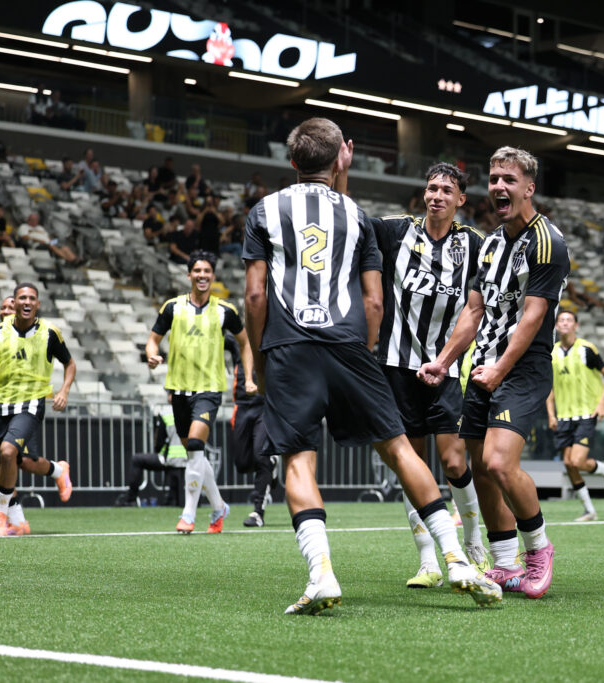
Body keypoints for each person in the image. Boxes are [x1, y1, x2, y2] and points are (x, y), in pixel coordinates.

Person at [243, 117, 500, 614]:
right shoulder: (358, 216)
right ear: (343, 156)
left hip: (290, 347)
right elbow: (375, 302)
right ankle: (458, 559)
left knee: (298, 459)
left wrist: (261, 351)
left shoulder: (265, 210)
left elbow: (255, 294)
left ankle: (321, 573)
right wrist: (366, 348)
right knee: (402, 450)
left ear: (294, 161)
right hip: (350, 346)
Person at [419, 145, 569, 600]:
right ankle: (504, 564)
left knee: (501, 463)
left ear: (529, 187)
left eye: (509, 179)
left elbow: (534, 316)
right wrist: (444, 362)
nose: (499, 187)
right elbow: (474, 311)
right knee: (479, 468)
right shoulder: (490, 245)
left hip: (522, 369)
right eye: (494, 178)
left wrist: (501, 368)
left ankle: (539, 550)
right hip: (482, 367)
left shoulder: (548, 241)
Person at [368, 162, 491, 586]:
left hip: (448, 368)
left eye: (446, 190)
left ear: (461, 200)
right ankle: (427, 560)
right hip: (396, 366)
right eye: (431, 187)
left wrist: (444, 359)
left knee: (453, 459)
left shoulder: (476, 244)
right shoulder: (396, 231)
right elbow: (347, 217)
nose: (436, 195)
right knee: (412, 466)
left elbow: (475, 312)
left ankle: (474, 541)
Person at [0, 284, 75, 536]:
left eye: (31, 298)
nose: (24, 303)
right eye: (20, 299)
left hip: (29, 404)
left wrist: (63, 392)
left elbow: (69, 362)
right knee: (0, 462)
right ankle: (17, 521)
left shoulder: (50, 333)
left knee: (17, 458)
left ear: (38, 304)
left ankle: (3, 515)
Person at [145, 250, 252, 534]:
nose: (202, 275)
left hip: (208, 390)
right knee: (196, 455)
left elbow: (245, 343)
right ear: (189, 274)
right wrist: (152, 355)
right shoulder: (172, 307)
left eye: (207, 271)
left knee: (194, 446)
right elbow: (152, 341)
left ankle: (188, 515)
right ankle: (218, 507)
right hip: (178, 390)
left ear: (212, 276)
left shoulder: (225, 311)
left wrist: (249, 377)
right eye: (197, 271)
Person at [545, 310, 604, 522]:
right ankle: (589, 510)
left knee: (576, 460)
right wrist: (551, 414)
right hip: (564, 415)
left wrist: (602, 403)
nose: (565, 323)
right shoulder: (552, 353)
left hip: (587, 412)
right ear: (556, 326)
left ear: (576, 325)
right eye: (561, 320)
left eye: (569, 320)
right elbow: (550, 388)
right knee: (569, 464)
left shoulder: (587, 349)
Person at [222, 333, 279, 527]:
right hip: (242, 407)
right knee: (242, 463)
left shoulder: (273, 338)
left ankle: (258, 512)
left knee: (260, 456)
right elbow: (216, 336)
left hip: (265, 407)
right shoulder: (240, 341)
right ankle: (271, 468)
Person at [115, 397, 187, 507]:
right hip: (191, 460)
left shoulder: (166, 413)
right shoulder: (193, 411)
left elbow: (158, 443)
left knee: (137, 459)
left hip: (170, 458)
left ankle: (131, 499)